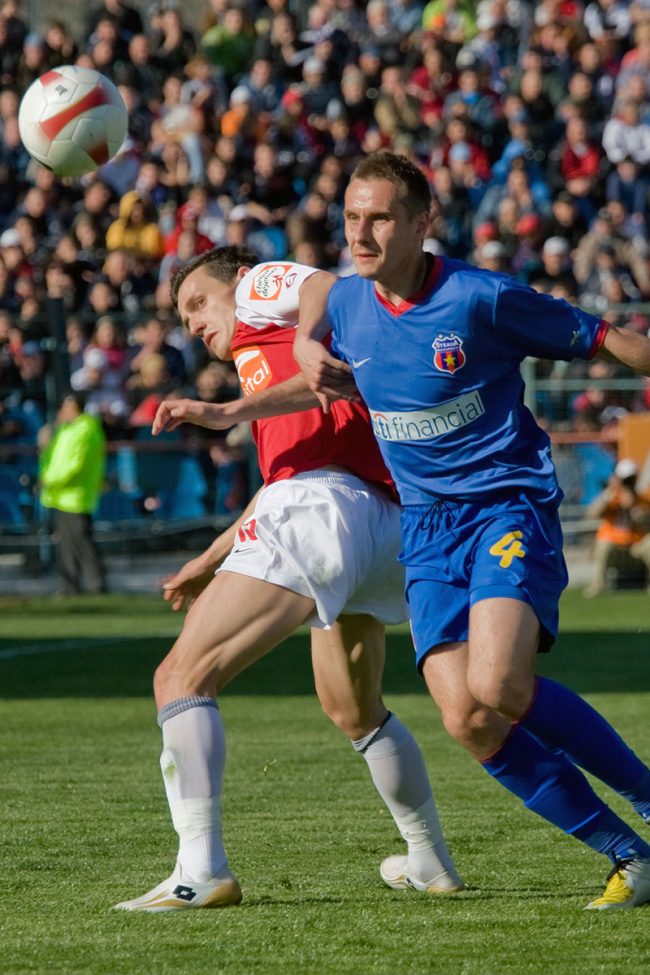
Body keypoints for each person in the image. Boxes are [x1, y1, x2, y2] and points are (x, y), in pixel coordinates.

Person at [294, 150, 650, 911]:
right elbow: (315, 290)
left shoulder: (481, 298)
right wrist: (297, 345)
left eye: (380, 217)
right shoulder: (349, 301)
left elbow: (606, 337)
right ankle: (628, 853)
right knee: (466, 715)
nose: (360, 231)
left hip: (505, 507)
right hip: (425, 530)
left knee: (499, 684)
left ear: (425, 225)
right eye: (352, 216)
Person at [114, 245, 463, 912]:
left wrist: (235, 400)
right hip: (379, 522)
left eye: (197, 303)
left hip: (325, 508)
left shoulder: (258, 293)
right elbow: (285, 479)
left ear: (238, 285)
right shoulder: (270, 377)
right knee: (354, 710)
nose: (192, 322)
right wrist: (208, 560)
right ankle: (429, 860)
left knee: (180, 677)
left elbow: (325, 285)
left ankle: (200, 871)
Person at [39, 392, 107, 596]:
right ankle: (70, 586)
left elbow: (74, 465)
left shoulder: (85, 429)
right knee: (66, 544)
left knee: (81, 542)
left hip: (75, 495)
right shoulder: (67, 429)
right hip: (61, 495)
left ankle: (96, 584)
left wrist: (49, 479)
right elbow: (52, 456)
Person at [584, 458, 650, 596]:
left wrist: (634, 509)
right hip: (615, 546)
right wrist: (608, 494)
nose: (628, 484)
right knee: (604, 543)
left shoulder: (642, 500)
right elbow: (591, 514)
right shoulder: (610, 498)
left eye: (630, 480)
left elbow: (646, 527)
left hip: (636, 547)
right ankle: (598, 585)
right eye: (625, 480)